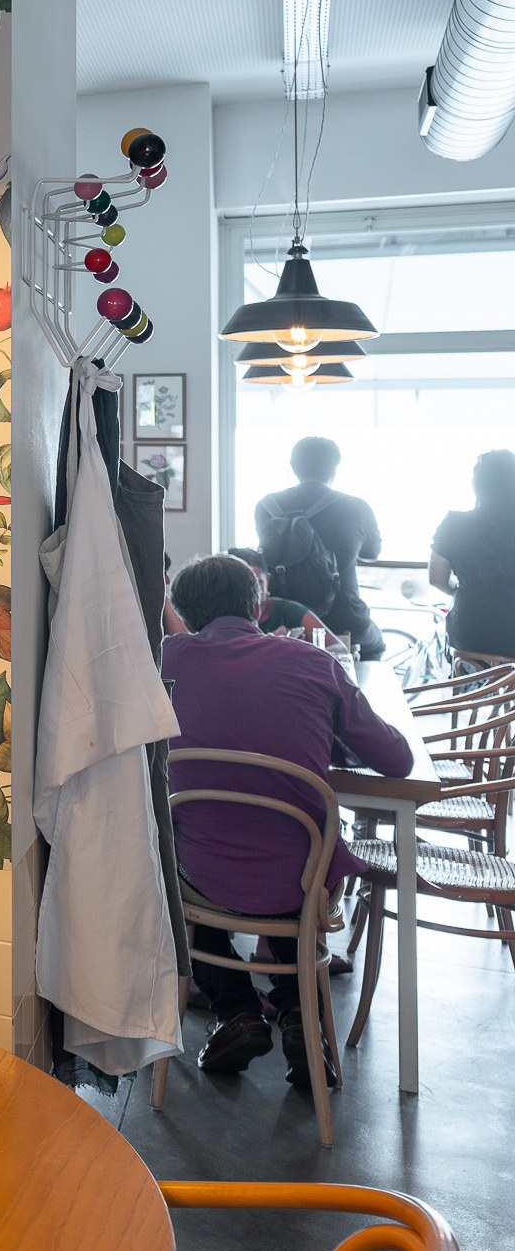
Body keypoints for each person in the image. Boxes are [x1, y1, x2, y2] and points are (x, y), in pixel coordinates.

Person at [162, 552, 412, 1089]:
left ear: (185, 612)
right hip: (301, 879)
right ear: (258, 604)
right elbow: (398, 762)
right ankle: (299, 1013)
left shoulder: (166, 661)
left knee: (171, 867)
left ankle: (236, 1008)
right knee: (295, 872)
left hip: (201, 874)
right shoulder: (313, 662)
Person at [254, 437, 384, 657]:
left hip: (283, 620)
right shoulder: (356, 506)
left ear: (293, 467)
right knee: (376, 645)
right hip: (344, 619)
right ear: (334, 467)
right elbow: (371, 553)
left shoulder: (266, 506)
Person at [429, 451, 515, 661]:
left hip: (472, 633)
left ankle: (471, 682)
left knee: (469, 668)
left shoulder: (455, 524)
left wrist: (457, 591)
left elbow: (436, 578)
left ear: (477, 484)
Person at [226, 545, 347, 651]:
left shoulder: (288, 610)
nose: (252, 590)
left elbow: (339, 647)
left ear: (267, 580)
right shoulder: (224, 617)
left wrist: (306, 651)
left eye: (258, 582)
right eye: (244, 584)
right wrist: (271, 642)